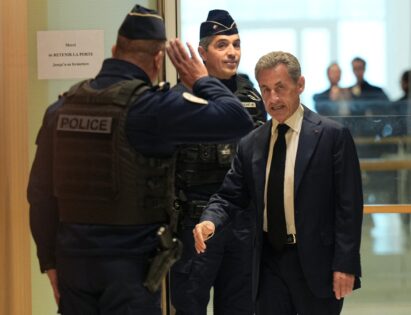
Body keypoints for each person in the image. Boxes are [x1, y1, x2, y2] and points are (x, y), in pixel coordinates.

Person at [27, 4, 254, 315]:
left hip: (73, 264)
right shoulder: (152, 111)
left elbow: (39, 195)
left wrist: (50, 262)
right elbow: (237, 120)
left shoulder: (60, 110)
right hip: (130, 269)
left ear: (113, 50)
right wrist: (201, 80)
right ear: (158, 59)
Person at [194, 51, 364, 315]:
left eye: (280, 88)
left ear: (300, 85)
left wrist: (346, 264)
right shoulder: (251, 143)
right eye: (265, 90)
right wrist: (210, 220)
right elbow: (229, 196)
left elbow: (349, 209)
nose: (273, 99)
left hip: (316, 264)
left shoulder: (332, 136)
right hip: (268, 263)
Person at [170, 9, 266, 315]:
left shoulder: (251, 96)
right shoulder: (180, 98)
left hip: (242, 223)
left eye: (236, 44)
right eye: (222, 45)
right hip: (194, 222)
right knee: (189, 305)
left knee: (240, 307)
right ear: (202, 51)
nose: (232, 53)